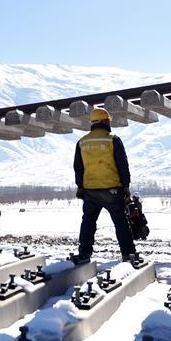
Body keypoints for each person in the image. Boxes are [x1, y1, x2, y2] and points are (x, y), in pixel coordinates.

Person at [72, 108, 138, 262]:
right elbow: (123, 165)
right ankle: (128, 254)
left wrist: (80, 186)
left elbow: (78, 167)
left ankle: (84, 253)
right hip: (112, 190)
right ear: (106, 121)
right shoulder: (113, 139)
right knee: (121, 222)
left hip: (90, 191)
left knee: (88, 222)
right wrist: (126, 186)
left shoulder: (82, 142)